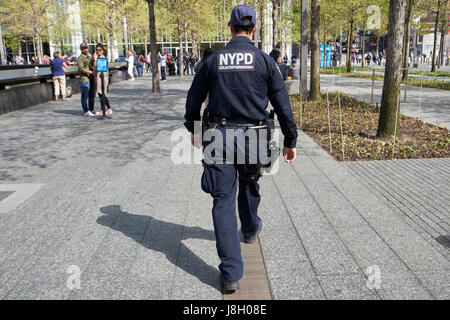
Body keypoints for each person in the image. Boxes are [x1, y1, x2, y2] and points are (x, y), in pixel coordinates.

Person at [184, 4, 297, 293]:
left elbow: (193, 100)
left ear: (231, 28)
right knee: (249, 182)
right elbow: (282, 104)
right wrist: (290, 139)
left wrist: (194, 129)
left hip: (218, 136)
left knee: (222, 201)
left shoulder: (213, 61)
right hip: (255, 137)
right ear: (254, 29)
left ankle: (231, 273)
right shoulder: (265, 62)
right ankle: (249, 230)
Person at [77, 43, 97, 116]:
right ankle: (86, 111)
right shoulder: (80, 58)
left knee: (92, 95)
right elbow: (81, 69)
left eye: (86, 48)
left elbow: (92, 65)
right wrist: (91, 72)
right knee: (85, 96)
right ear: (81, 49)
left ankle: (91, 109)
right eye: (83, 48)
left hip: (91, 78)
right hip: (84, 79)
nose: (85, 49)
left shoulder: (89, 57)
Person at [93, 43, 113, 116]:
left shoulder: (102, 58)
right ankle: (108, 109)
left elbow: (98, 68)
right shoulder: (99, 57)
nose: (98, 51)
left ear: (102, 51)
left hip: (102, 78)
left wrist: (95, 59)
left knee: (102, 94)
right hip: (99, 78)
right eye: (96, 50)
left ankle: (104, 109)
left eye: (99, 50)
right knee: (101, 94)